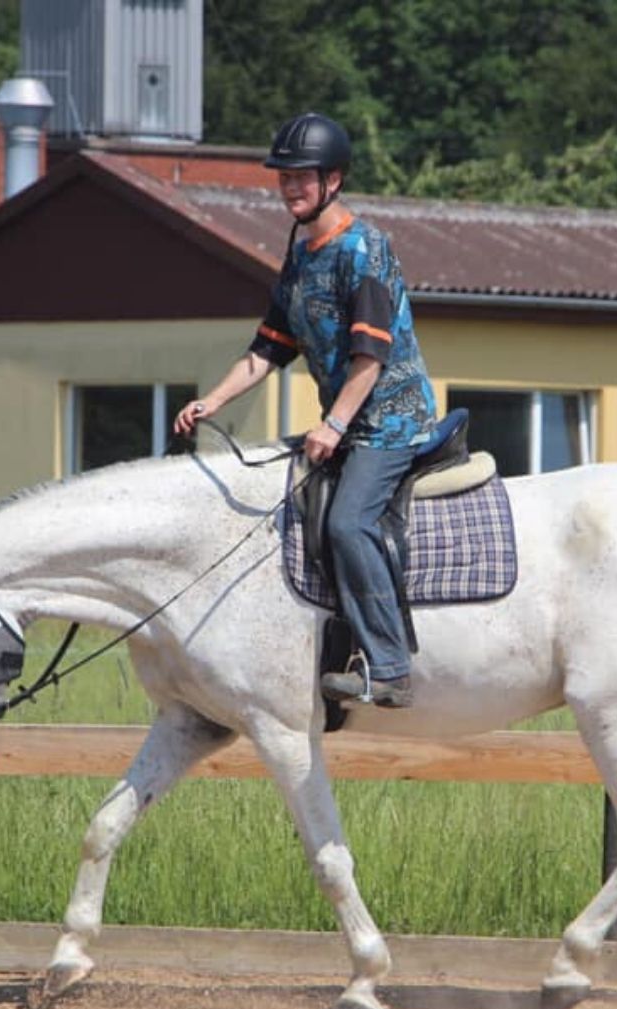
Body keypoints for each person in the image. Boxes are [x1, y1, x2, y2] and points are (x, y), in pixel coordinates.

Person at [174, 112, 437, 708]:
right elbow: (268, 349)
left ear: (334, 180)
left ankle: (391, 667)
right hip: (345, 426)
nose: (290, 187)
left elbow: (370, 357)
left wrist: (335, 424)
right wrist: (209, 401)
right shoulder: (301, 256)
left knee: (347, 522)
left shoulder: (363, 249)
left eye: (302, 177)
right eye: (284, 177)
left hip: (390, 423)